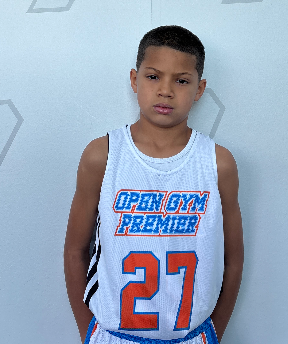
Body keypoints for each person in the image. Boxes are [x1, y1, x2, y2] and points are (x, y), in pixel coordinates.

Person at [64, 25, 244, 344]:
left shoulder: (217, 163)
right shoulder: (103, 156)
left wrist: (214, 332)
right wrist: (87, 331)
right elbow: (75, 250)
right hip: (113, 336)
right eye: (153, 77)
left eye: (181, 80)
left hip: (192, 337)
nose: (165, 90)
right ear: (135, 80)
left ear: (199, 89)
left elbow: (233, 259)